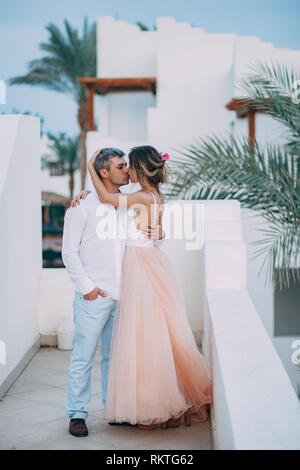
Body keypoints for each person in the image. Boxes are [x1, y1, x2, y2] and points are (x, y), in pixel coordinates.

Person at [81, 145, 212, 431]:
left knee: (143, 335)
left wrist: (91, 167)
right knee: (157, 333)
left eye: (130, 166)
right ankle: (151, 403)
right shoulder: (153, 195)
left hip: (140, 264)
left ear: (140, 170)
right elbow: (153, 228)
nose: (126, 170)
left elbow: (106, 197)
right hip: (151, 260)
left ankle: (152, 406)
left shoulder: (141, 196)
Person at [61, 147, 164, 437]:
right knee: (83, 357)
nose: (127, 170)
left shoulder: (131, 201)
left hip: (126, 296)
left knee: (114, 358)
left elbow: (148, 241)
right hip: (94, 296)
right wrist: (88, 289)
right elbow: (69, 252)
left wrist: (161, 234)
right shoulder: (82, 206)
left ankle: (113, 409)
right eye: (121, 166)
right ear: (103, 172)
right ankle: (77, 414)